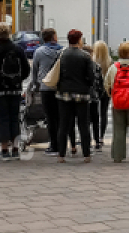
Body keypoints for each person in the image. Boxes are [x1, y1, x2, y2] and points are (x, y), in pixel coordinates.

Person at [0, 20, 30, 159]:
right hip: (15, 90)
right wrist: (17, 79)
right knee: (14, 118)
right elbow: (26, 70)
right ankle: (15, 149)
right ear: (9, 33)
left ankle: (4, 151)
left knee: (2, 119)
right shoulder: (18, 50)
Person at [53, 30, 95, 163]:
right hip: (82, 94)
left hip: (64, 94)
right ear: (79, 40)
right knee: (83, 124)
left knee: (64, 124)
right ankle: (86, 154)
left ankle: (61, 154)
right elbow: (91, 77)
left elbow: (56, 72)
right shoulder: (85, 56)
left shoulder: (61, 54)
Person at [29, 29, 64, 155]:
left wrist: (34, 86)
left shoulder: (39, 52)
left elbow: (35, 71)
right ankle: (62, 144)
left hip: (45, 88)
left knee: (50, 118)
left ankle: (53, 144)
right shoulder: (63, 51)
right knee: (60, 117)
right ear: (54, 37)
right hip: (60, 87)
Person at [90, 39, 112, 148]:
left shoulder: (92, 61)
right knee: (104, 113)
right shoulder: (109, 62)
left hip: (94, 91)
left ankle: (93, 136)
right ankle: (101, 137)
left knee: (93, 114)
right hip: (106, 90)